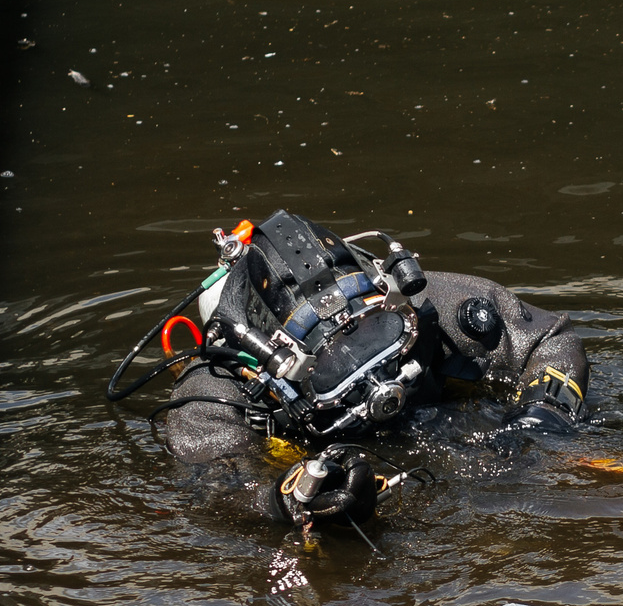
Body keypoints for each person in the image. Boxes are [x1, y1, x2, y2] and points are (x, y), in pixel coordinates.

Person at [109, 211, 589, 526]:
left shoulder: (435, 307)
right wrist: (288, 498)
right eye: (331, 366)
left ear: (387, 294)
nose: (376, 378)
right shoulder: (214, 394)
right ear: (270, 369)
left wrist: (545, 412)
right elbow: (216, 481)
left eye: (376, 332)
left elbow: (548, 338)